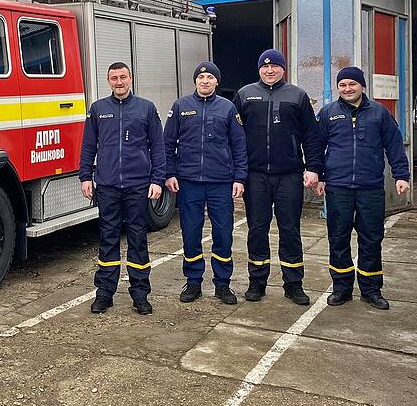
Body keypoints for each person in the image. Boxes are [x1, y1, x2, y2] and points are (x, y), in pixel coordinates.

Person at [233, 49, 324, 305]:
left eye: (274, 66)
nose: (269, 70)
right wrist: (237, 173)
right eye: (264, 66)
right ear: (259, 69)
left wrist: (314, 167)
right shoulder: (244, 95)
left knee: (290, 229)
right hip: (255, 176)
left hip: (290, 175)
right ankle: (257, 282)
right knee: (257, 230)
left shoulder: (297, 95)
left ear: (283, 69)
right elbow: (234, 137)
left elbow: (311, 135)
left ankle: (293, 284)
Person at [315, 67, 410, 310]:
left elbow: (395, 146)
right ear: (338, 88)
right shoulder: (328, 113)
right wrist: (319, 176)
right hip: (338, 187)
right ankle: (342, 288)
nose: (347, 89)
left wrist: (401, 175)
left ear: (362, 86)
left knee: (371, 239)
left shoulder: (380, 113)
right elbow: (317, 147)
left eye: (352, 84)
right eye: (343, 85)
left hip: (370, 188)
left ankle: (371, 289)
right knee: (338, 238)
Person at [79, 62, 165, 315]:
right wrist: (86, 177)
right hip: (107, 185)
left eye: (123, 77)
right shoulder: (98, 109)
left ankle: (140, 295)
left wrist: (157, 180)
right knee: (108, 238)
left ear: (131, 79)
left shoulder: (146, 109)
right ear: (108, 81)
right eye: (114, 78)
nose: (119, 82)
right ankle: (105, 293)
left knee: (138, 239)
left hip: (138, 185)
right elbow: (88, 147)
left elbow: (157, 147)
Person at [164, 62, 248, 305]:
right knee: (191, 234)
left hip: (220, 182)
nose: (205, 81)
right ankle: (193, 282)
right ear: (195, 81)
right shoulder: (181, 106)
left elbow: (239, 146)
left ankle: (222, 284)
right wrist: (169, 174)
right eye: (201, 77)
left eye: (210, 77)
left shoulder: (228, 108)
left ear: (216, 82)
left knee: (223, 233)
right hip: (189, 182)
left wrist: (239, 178)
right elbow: (167, 144)